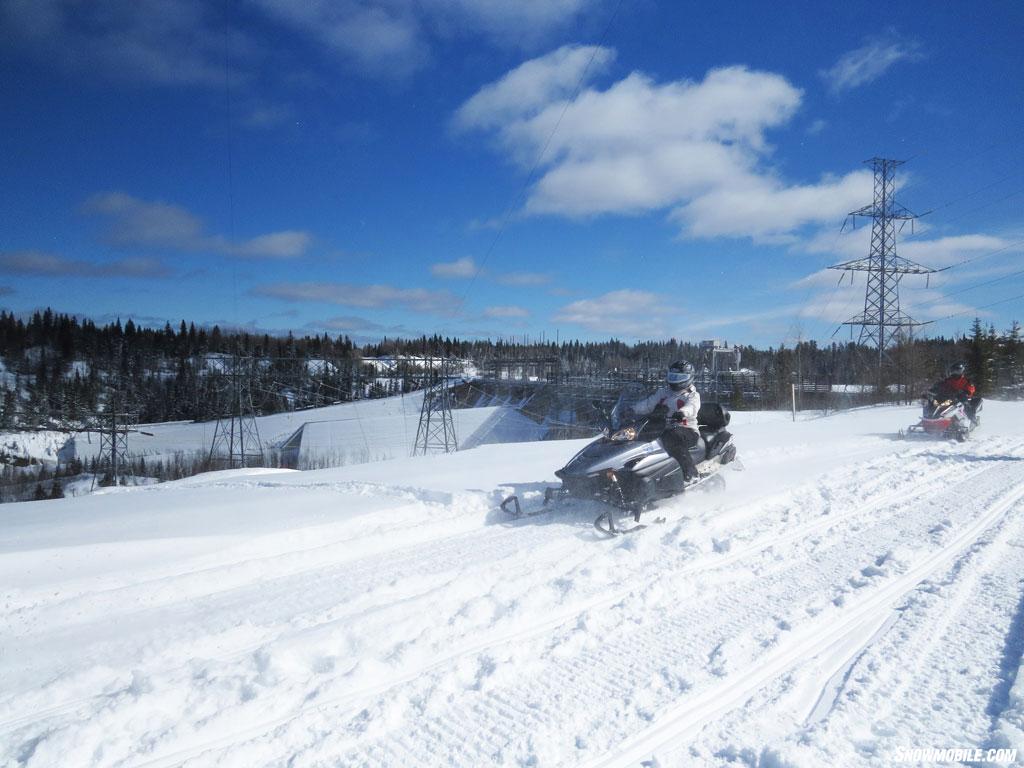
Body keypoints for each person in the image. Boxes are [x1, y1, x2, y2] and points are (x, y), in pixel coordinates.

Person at [632, 361, 701, 482]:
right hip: (661, 428)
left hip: (686, 429)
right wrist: (632, 409)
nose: (674, 380)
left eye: (679, 378)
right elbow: (648, 404)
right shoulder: (663, 392)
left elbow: (692, 407)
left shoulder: (691, 395)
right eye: (672, 377)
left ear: (689, 378)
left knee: (672, 437)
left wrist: (682, 413)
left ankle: (691, 474)